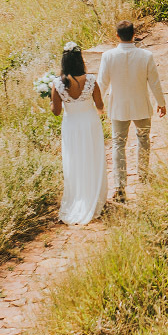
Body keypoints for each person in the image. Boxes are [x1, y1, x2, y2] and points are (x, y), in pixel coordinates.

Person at [97, 21, 167, 204]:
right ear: (134, 34)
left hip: (118, 107)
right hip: (140, 105)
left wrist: (97, 104)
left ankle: (120, 187)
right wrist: (161, 102)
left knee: (118, 144)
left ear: (117, 36)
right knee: (143, 140)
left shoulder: (108, 56)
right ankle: (143, 175)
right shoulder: (146, 55)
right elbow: (154, 81)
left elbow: (102, 83)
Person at [50, 42, 107, 224]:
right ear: (80, 60)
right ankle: (95, 196)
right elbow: (99, 105)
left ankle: (78, 198)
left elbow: (56, 112)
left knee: (74, 160)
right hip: (90, 122)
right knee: (93, 157)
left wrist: (50, 99)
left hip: (71, 125)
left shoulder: (58, 84)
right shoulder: (90, 80)